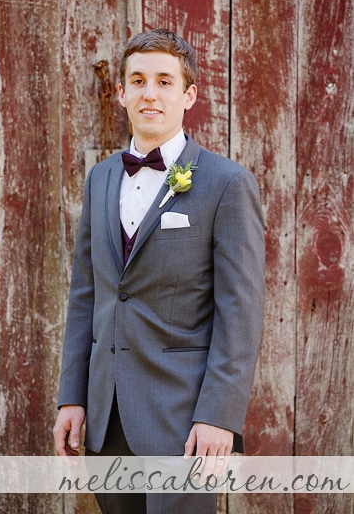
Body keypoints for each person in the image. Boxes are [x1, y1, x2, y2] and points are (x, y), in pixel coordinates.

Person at [52, 29, 265, 513]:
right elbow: (87, 294)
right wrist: (73, 397)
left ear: (188, 95)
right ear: (121, 92)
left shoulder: (226, 184)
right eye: (139, 80)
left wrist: (219, 416)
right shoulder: (101, 178)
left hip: (185, 423)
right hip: (107, 419)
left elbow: (241, 311)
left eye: (165, 81)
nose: (151, 93)